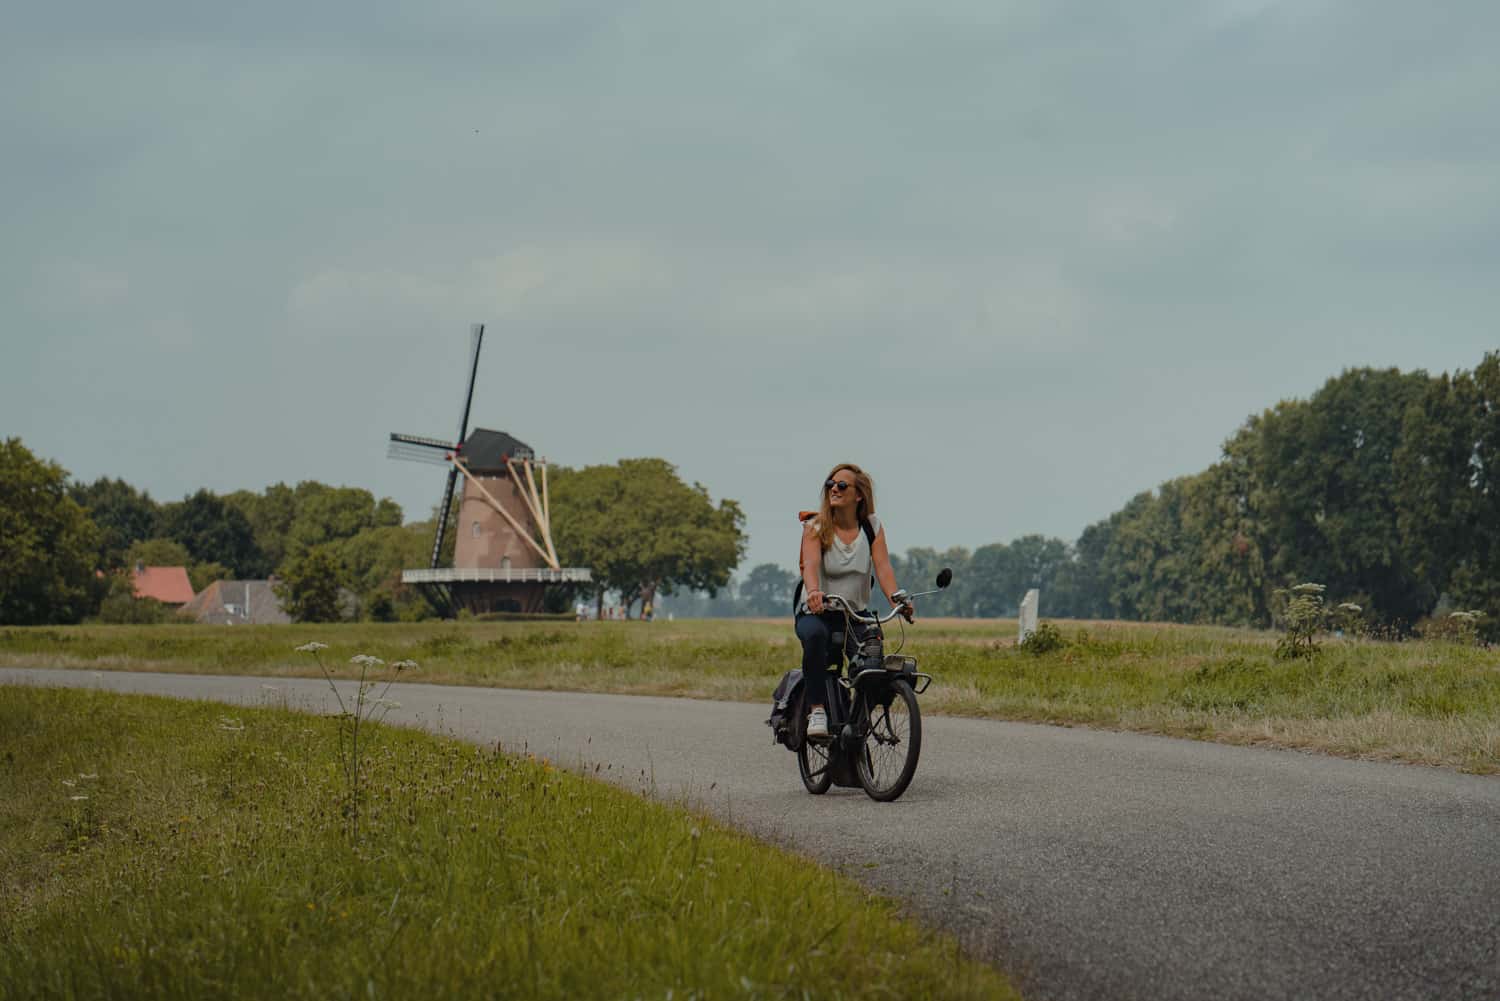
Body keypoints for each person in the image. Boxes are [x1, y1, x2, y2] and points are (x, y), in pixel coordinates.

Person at [796, 462, 912, 739]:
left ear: (858, 494)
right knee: (814, 639)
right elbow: (809, 565)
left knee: (875, 667)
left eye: (842, 485)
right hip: (818, 612)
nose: (834, 489)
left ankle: (854, 727)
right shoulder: (816, 526)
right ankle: (817, 710)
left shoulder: (871, 527)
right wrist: (813, 593)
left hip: (855, 615)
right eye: (830, 484)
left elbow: (883, 567)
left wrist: (898, 598)